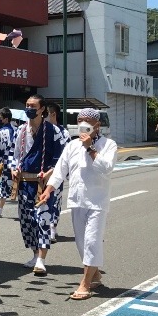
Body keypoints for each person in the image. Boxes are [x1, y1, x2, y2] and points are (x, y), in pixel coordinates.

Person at [39, 108, 118, 300]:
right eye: (79, 120)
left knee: (92, 241)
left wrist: (91, 148)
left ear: (97, 125)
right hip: (77, 200)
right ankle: (95, 274)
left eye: (87, 121)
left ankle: (85, 283)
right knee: (82, 243)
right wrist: (49, 189)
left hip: (97, 202)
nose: (82, 123)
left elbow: (107, 169)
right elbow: (60, 170)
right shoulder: (72, 145)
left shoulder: (109, 145)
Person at [11, 95, 62, 276]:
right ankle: (34, 253)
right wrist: (14, 168)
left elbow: (60, 159)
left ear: (42, 110)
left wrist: (50, 171)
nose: (29, 108)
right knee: (27, 221)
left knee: (43, 219)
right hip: (25, 182)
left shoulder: (53, 131)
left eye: (33, 106)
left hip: (43, 184)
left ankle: (42, 259)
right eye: (27, 105)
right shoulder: (21, 131)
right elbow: (15, 154)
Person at [45, 103, 70, 242]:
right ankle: (44, 227)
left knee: (55, 200)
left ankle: (52, 228)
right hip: (41, 172)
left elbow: (66, 155)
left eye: (46, 113)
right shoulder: (41, 130)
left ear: (53, 114)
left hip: (56, 172)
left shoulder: (63, 132)